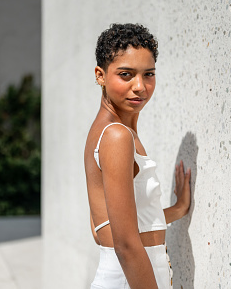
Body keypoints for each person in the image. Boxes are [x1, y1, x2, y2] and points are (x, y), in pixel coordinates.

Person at [84, 23, 192, 289]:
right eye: (126, 74)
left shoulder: (113, 133)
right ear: (100, 75)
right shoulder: (116, 136)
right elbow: (126, 244)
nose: (140, 86)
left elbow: (103, 228)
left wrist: (177, 209)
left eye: (148, 74)